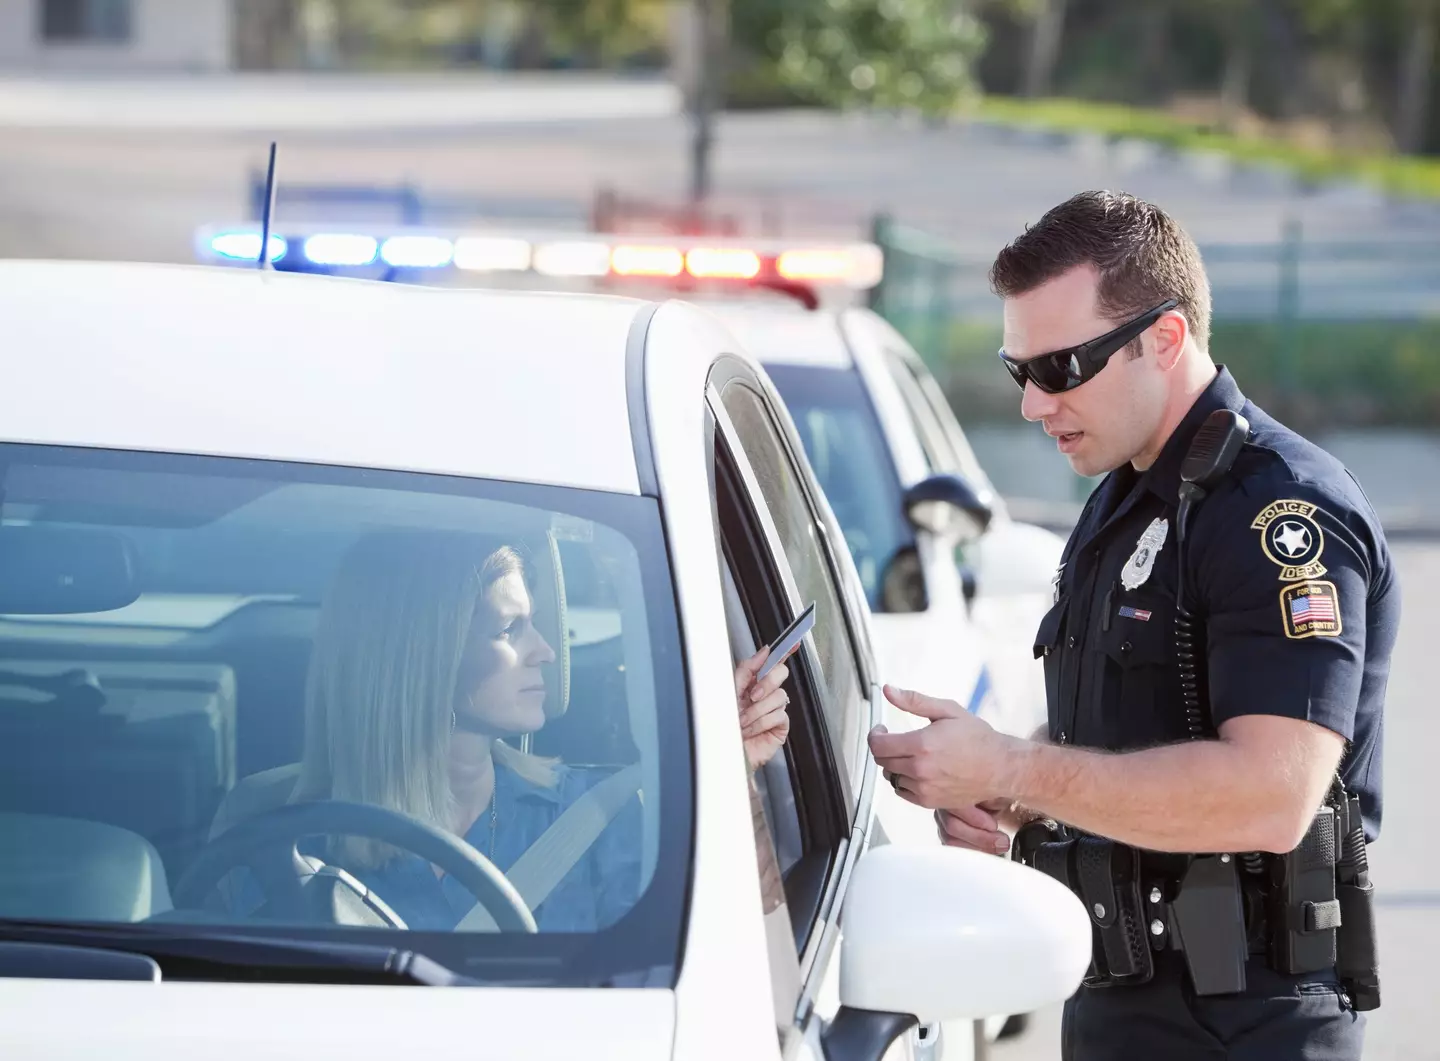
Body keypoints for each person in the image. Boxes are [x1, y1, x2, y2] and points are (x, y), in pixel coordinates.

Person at [867, 190, 1398, 1061]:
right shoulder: (1128, 491)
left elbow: (1273, 794)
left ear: (1166, 337)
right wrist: (1010, 795)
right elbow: (1121, 727)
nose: (1035, 404)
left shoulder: (1279, 510)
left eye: (1062, 367)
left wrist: (1017, 767)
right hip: (1123, 1002)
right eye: (1019, 372)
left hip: (1243, 1024)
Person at [279, 528, 792, 932]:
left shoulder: (594, 813)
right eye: (509, 630)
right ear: (422, 660)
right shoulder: (293, 849)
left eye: (535, 624)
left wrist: (731, 774)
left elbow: (740, 937)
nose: (545, 651)